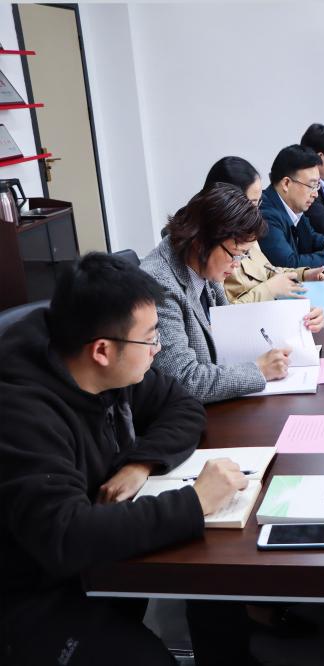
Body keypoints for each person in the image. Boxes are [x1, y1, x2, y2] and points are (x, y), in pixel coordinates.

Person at [0, 253, 250, 665]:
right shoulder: (22, 415)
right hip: (35, 599)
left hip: (98, 565)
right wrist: (194, 502)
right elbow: (66, 535)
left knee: (215, 583)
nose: (157, 349)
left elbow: (183, 404)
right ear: (101, 350)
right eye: (150, 339)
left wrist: (141, 464)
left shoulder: (108, 369)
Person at [142, 183, 323, 403]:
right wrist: (258, 370)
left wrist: (297, 320)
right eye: (236, 255)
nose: (237, 264)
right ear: (201, 242)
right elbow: (185, 380)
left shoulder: (204, 263)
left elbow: (231, 332)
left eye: (243, 256)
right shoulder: (160, 285)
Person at [198, 156, 324, 304]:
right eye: (252, 203)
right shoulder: (216, 245)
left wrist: (302, 275)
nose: (257, 211)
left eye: (258, 202)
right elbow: (222, 310)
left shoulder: (247, 230)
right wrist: (270, 289)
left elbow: (266, 270)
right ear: (228, 202)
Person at [259, 144, 324, 271]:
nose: (315, 194)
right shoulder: (265, 214)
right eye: (312, 186)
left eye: (317, 186)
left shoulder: (293, 205)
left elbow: (311, 237)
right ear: (286, 183)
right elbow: (287, 264)